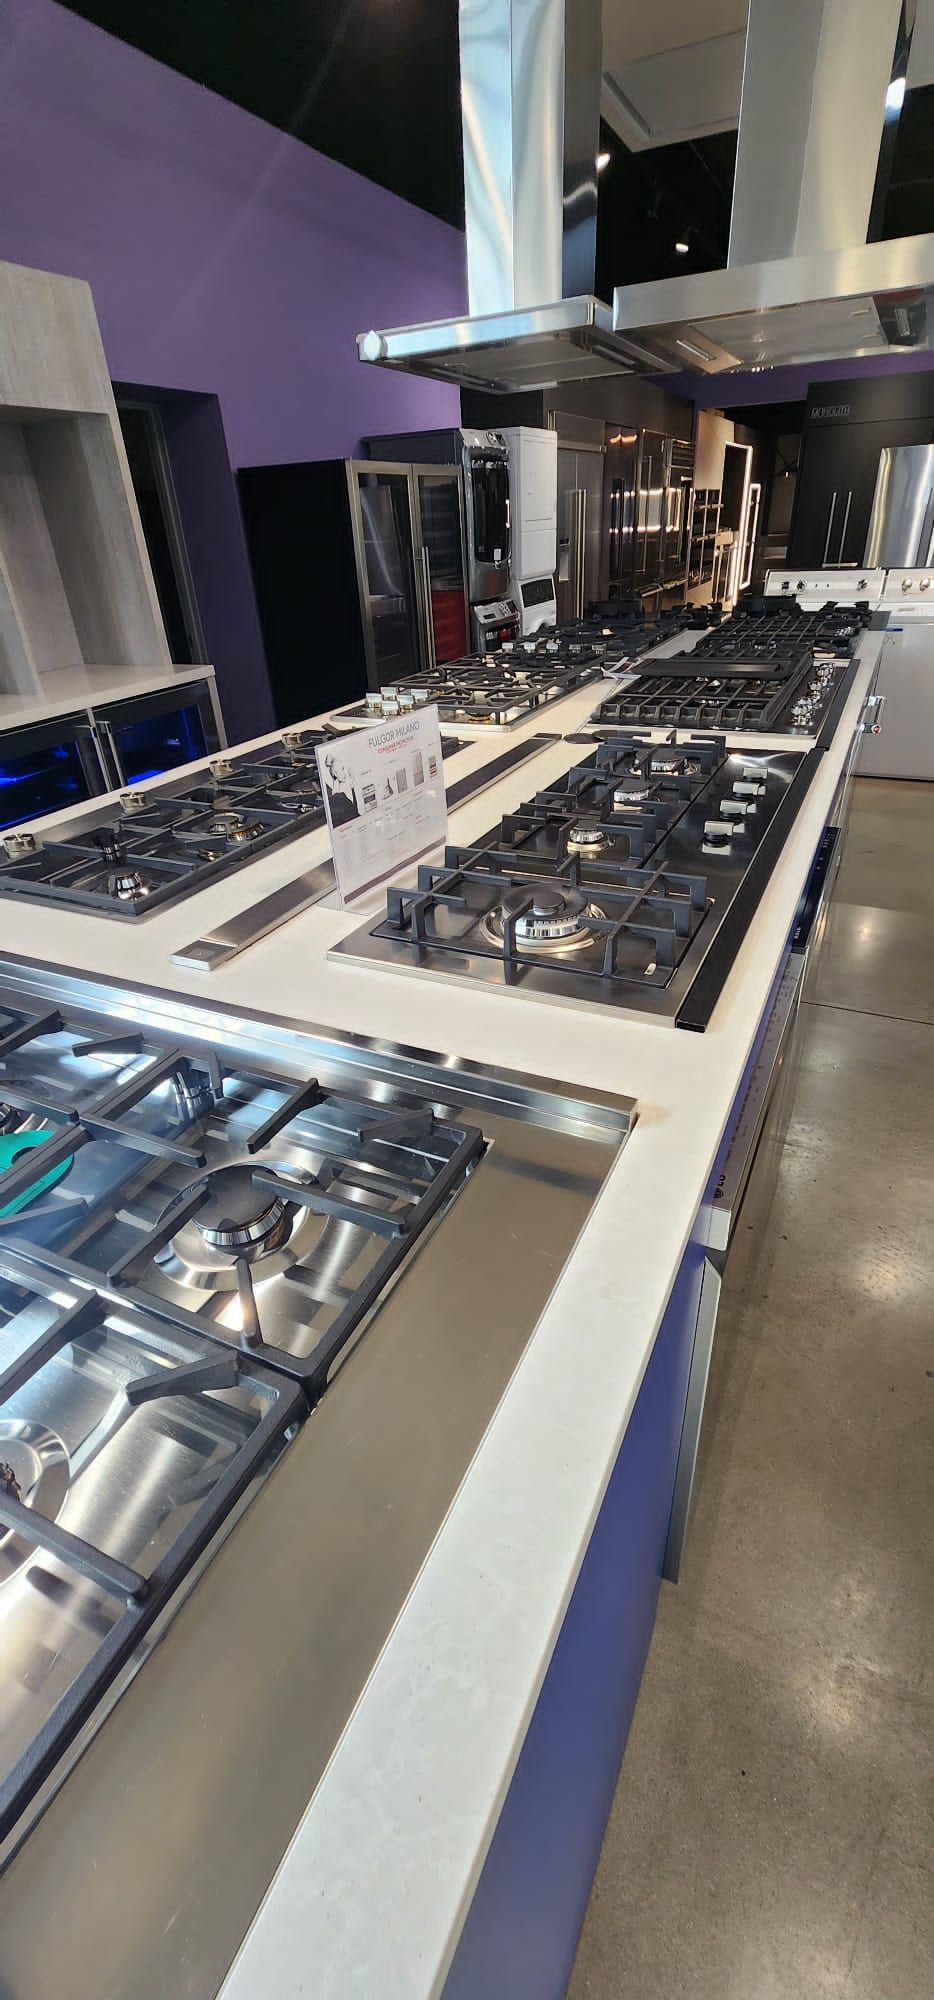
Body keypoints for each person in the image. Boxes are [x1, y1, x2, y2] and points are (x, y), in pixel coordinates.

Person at [323, 749, 360, 827]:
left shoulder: (339, 794)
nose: (344, 773)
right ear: (335, 774)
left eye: (343, 768)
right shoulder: (339, 799)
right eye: (342, 769)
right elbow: (354, 815)